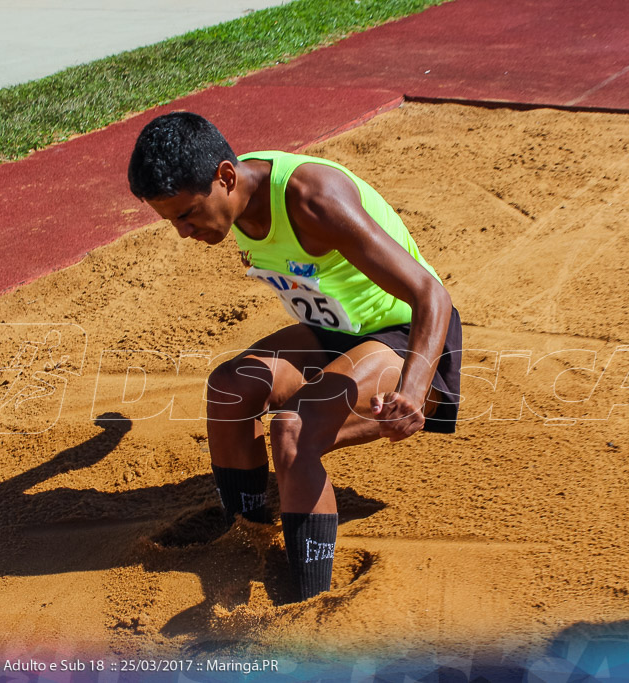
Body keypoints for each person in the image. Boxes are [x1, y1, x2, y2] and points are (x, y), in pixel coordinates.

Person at [127, 111, 462, 600]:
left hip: (407, 337)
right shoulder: (236, 199)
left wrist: (412, 392)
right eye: (171, 220)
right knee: (229, 389)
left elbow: (432, 295)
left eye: (187, 215)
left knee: (293, 429)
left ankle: (310, 606)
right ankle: (247, 534)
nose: (183, 232)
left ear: (225, 177)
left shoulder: (313, 200)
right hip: (336, 333)